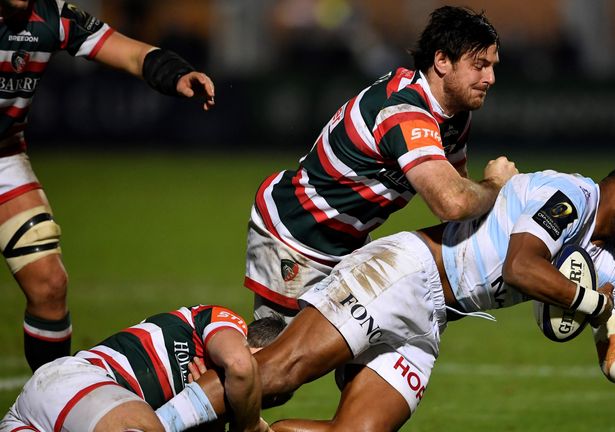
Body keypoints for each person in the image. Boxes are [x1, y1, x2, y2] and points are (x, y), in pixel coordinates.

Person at [198, 158, 615, 431]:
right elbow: (522, 267)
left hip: (432, 319)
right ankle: (154, 422)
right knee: (278, 373)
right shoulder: (570, 197)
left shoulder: (611, 266)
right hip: (401, 275)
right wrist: (590, 303)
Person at [245, 5, 518, 322]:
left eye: (492, 66)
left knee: (372, 357)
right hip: (296, 235)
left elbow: (461, 193)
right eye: (479, 66)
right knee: (272, 361)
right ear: (442, 61)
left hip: (349, 245)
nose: (490, 78)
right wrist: (497, 184)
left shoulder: (455, 115)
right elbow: (453, 203)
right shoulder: (403, 110)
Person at [0, 0, 215, 371]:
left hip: (4, 160)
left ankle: (50, 400)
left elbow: (128, 52)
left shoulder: (51, 16)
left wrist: (176, 74)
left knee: (49, 285)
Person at [0, 305, 286, 432]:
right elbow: (239, 365)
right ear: (260, 353)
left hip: (48, 417)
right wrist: (248, 427)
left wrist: (211, 420)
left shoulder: (219, 397)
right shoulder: (226, 323)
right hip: (73, 382)